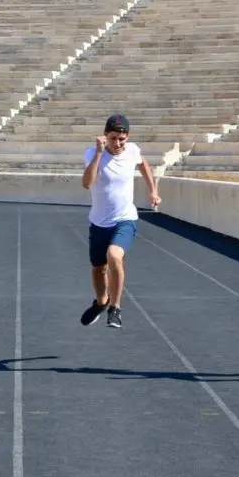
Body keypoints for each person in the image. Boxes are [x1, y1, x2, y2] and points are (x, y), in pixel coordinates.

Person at [80, 114, 161, 329]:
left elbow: (143, 164)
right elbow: (87, 183)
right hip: (98, 222)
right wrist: (99, 153)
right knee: (98, 268)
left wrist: (153, 190)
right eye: (113, 138)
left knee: (114, 255)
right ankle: (101, 303)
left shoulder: (132, 150)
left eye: (122, 139)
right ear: (105, 136)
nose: (117, 144)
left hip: (125, 218)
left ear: (128, 138)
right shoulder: (91, 153)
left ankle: (115, 308)